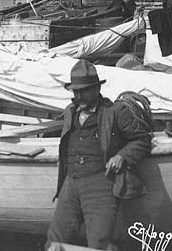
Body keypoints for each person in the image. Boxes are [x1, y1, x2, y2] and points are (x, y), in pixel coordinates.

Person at [46, 60, 152, 250]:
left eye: (84, 90)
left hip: (100, 184)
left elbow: (142, 140)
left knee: (98, 245)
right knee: (54, 244)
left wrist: (123, 156)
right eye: (75, 91)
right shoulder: (71, 112)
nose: (79, 96)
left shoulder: (115, 112)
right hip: (70, 182)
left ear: (96, 88)